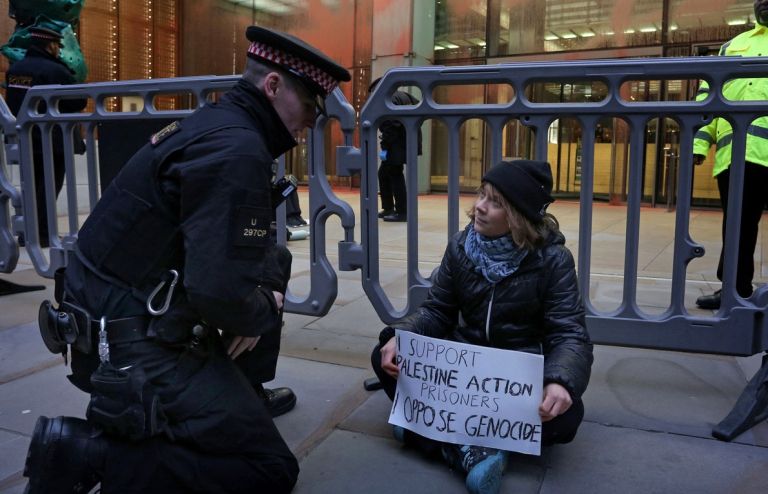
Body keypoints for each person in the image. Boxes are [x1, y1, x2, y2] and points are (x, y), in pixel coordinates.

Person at [23, 26, 349, 494]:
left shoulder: (216, 125)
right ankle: (88, 453)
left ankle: (235, 398)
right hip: (133, 347)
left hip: (111, 318)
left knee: (271, 262)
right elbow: (218, 293)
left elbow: (236, 255)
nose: (312, 122)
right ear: (273, 85)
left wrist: (254, 298)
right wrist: (262, 307)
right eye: (310, 106)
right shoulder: (237, 150)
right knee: (269, 468)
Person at [371, 160, 593, 494]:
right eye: (482, 195)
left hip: (515, 378)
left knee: (567, 417)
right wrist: (402, 336)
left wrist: (559, 382)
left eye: (495, 202)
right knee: (385, 356)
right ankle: (477, 447)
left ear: (517, 216)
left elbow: (569, 333)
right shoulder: (461, 246)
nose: (480, 207)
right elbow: (437, 310)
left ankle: (430, 434)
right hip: (463, 372)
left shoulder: (553, 260)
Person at [693, 0, 768, 310]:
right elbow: (708, 95)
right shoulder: (733, 46)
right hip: (737, 155)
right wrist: (699, 143)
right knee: (738, 227)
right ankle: (734, 292)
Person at [4, 25, 86, 247]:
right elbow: (78, 101)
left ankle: (27, 233)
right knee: (48, 188)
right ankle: (42, 234)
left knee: (30, 187)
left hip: (25, 138)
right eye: (57, 45)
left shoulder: (16, 70)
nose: (59, 50)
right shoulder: (55, 71)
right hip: (52, 139)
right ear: (50, 45)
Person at [370, 77, 421, 222]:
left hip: (396, 144)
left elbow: (391, 125)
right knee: (384, 173)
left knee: (394, 174)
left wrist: (385, 145)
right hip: (407, 141)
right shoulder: (403, 95)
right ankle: (389, 208)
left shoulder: (389, 98)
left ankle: (402, 212)